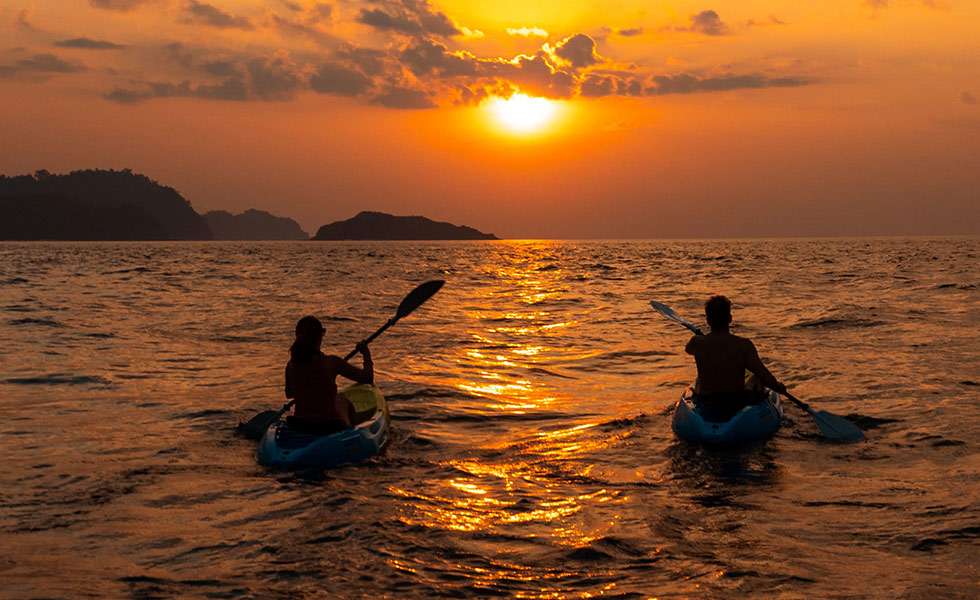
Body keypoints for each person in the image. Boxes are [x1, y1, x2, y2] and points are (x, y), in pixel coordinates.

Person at [685, 295, 787, 421]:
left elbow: (688, 350)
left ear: (708, 321)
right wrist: (778, 387)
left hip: (706, 401)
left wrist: (703, 339)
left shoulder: (697, 342)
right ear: (730, 319)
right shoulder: (743, 345)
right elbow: (763, 374)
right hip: (735, 402)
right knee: (756, 378)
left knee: (699, 380)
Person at [284, 315, 374, 433]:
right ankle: (350, 430)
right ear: (319, 337)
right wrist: (366, 354)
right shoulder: (331, 362)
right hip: (329, 426)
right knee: (340, 400)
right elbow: (367, 378)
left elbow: (289, 394)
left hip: (300, 425)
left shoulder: (291, 366)